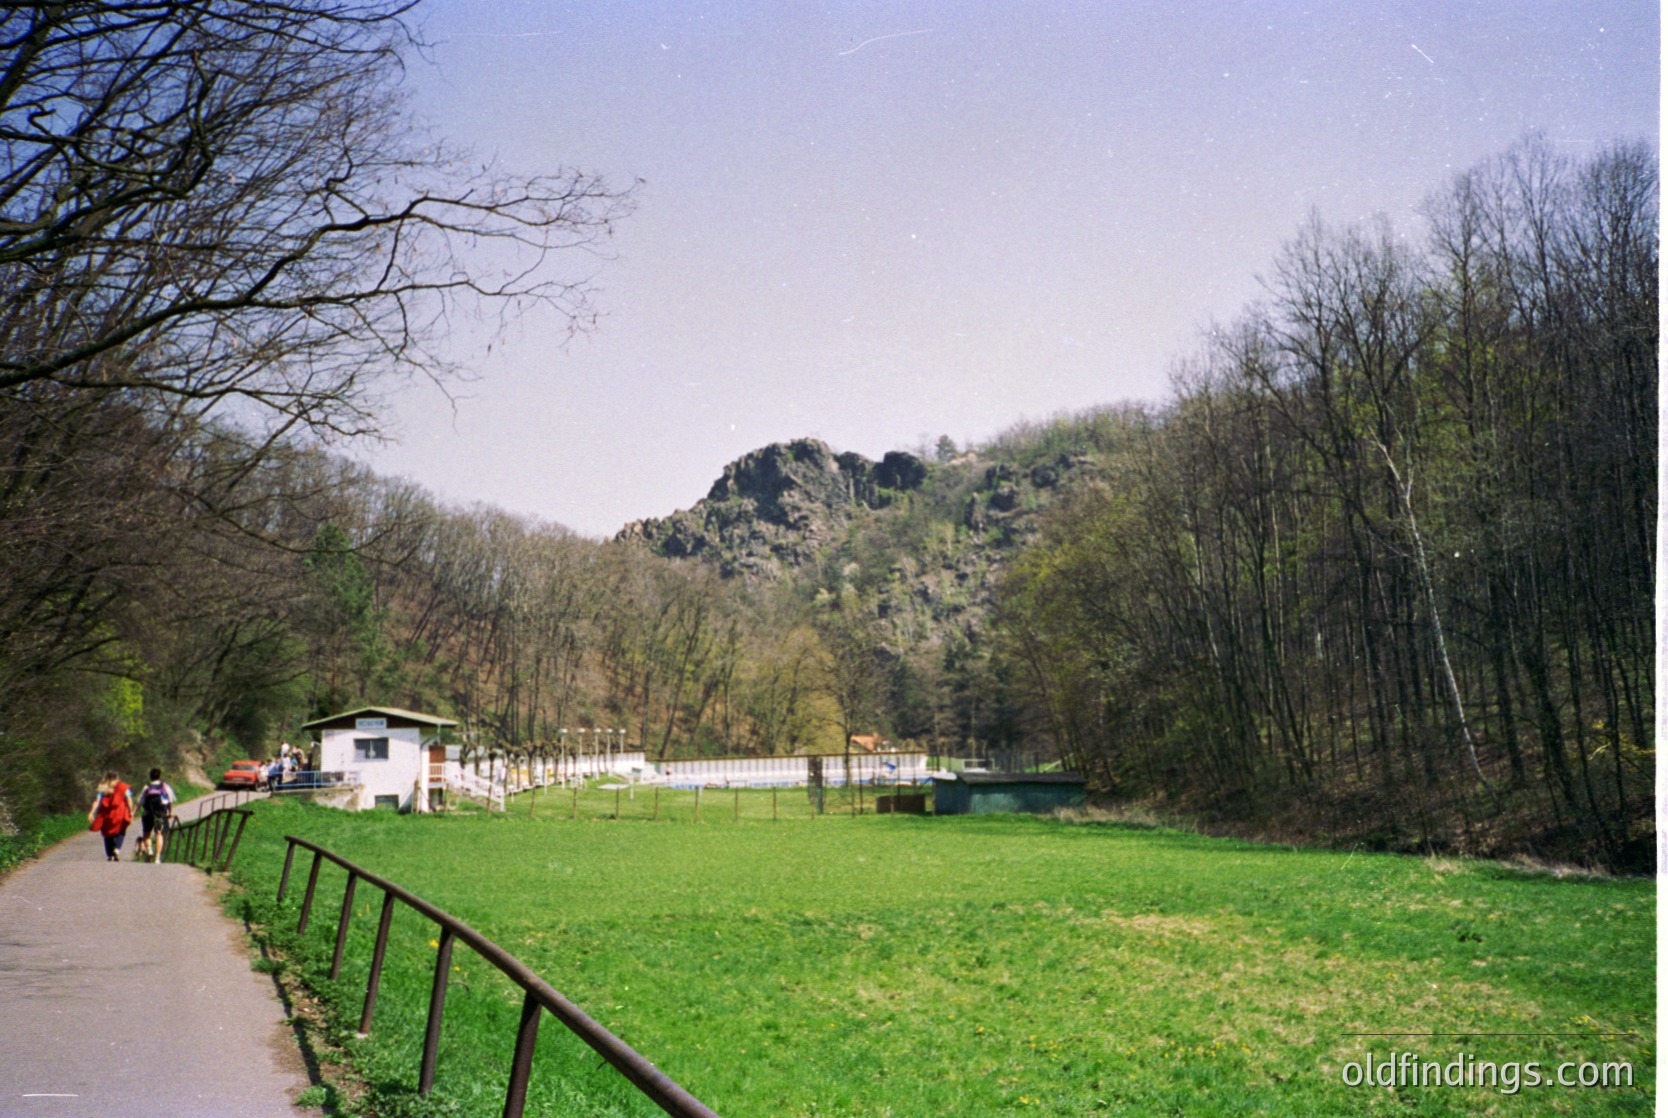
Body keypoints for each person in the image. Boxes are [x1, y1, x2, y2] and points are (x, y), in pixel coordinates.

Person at [87, 771, 134, 862]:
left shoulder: (103, 788)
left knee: (107, 833)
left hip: (107, 815)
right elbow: (129, 799)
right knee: (121, 830)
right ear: (117, 778)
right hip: (120, 813)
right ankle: (116, 849)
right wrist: (130, 811)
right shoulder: (123, 787)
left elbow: (97, 801)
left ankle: (110, 854)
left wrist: (91, 812)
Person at [134, 768, 176, 863]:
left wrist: (133, 812)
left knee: (146, 834)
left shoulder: (147, 787)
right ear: (159, 776)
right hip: (160, 813)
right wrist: (170, 812)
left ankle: (149, 849)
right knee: (159, 834)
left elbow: (140, 802)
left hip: (148, 813)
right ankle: (157, 857)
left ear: (150, 776)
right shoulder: (165, 786)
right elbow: (170, 801)